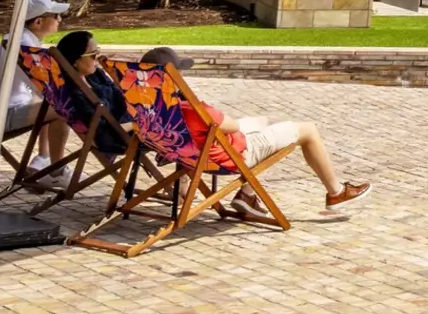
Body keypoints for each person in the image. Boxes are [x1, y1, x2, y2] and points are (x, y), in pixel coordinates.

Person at [136, 47, 370, 210]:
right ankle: (336, 192)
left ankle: (247, 195)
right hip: (232, 156)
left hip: (190, 155)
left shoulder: (145, 108)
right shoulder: (193, 108)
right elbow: (231, 125)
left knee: (263, 121)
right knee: (307, 131)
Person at [0, 0, 72, 174]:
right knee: (64, 108)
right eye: (55, 16)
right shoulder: (24, 46)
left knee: (50, 104)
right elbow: (45, 90)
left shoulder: (20, 39)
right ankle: (56, 171)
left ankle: (44, 159)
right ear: (38, 22)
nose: (59, 19)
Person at [53, 29, 132, 159]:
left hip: (130, 122)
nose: (98, 58)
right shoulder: (75, 93)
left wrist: (119, 81)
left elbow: (121, 98)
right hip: (119, 136)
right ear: (75, 61)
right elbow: (104, 132)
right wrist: (139, 124)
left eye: (98, 52)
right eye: (93, 55)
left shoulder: (95, 75)